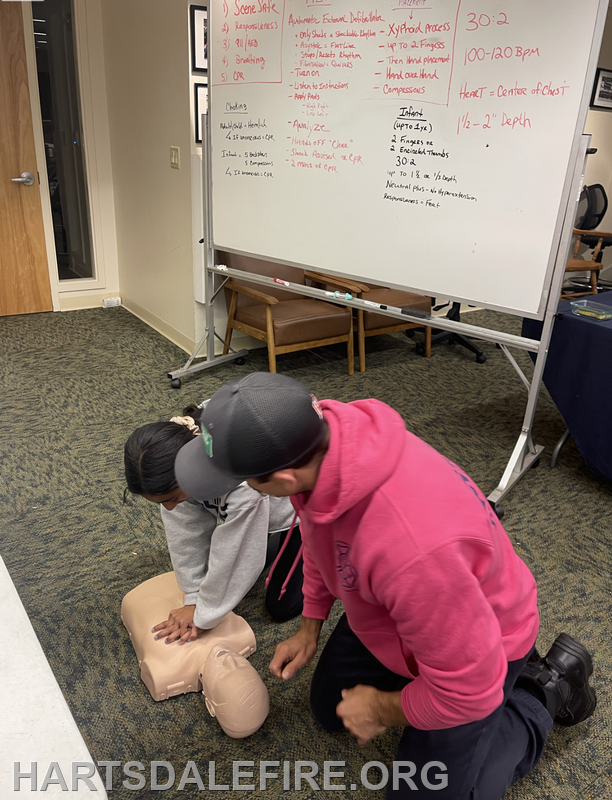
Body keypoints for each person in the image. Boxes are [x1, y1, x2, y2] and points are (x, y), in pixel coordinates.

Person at [174, 372, 597, 800]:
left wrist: (380, 708)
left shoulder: (411, 551)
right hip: (397, 614)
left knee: (426, 790)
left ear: (282, 480)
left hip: (484, 643)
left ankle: (543, 690)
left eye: (247, 480)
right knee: (329, 710)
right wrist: (310, 624)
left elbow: (469, 691)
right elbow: (320, 536)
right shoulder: (325, 444)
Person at [123, 401, 304, 646]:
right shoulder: (176, 456)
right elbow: (186, 535)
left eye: (171, 498)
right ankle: (267, 541)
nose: (168, 507)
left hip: (299, 508)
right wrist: (193, 596)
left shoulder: (240, 482)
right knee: (237, 568)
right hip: (258, 504)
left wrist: (202, 615)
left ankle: (332, 544)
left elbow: (239, 551)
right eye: (161, 502)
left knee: (281, 607)